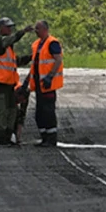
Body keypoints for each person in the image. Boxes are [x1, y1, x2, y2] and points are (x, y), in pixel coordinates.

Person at [0, 17, 32, 145]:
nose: (10, 29)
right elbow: (11, 39)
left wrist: (30, 57)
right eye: (8, 27)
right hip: (1, 83)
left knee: (12, 110)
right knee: (2, 111)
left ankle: (8, 136)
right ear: (1, 27)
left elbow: (16, 61)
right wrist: (23, 32)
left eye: (11, 27)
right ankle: (1, 138)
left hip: (9, 83)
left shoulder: (8, 48)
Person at [26, 19, 63, 147]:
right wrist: (26, 83)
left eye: (38, 28)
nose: (36, 31)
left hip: (48, 85)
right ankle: (44, 137)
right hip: (39, 85)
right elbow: (34, 65)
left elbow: (58, 60)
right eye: (35, 28)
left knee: (48, 112)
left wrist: (50, 76)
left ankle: (51, 139)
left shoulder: (52, 43)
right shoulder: (36, 44)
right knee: (39, 113)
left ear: (45, 29)